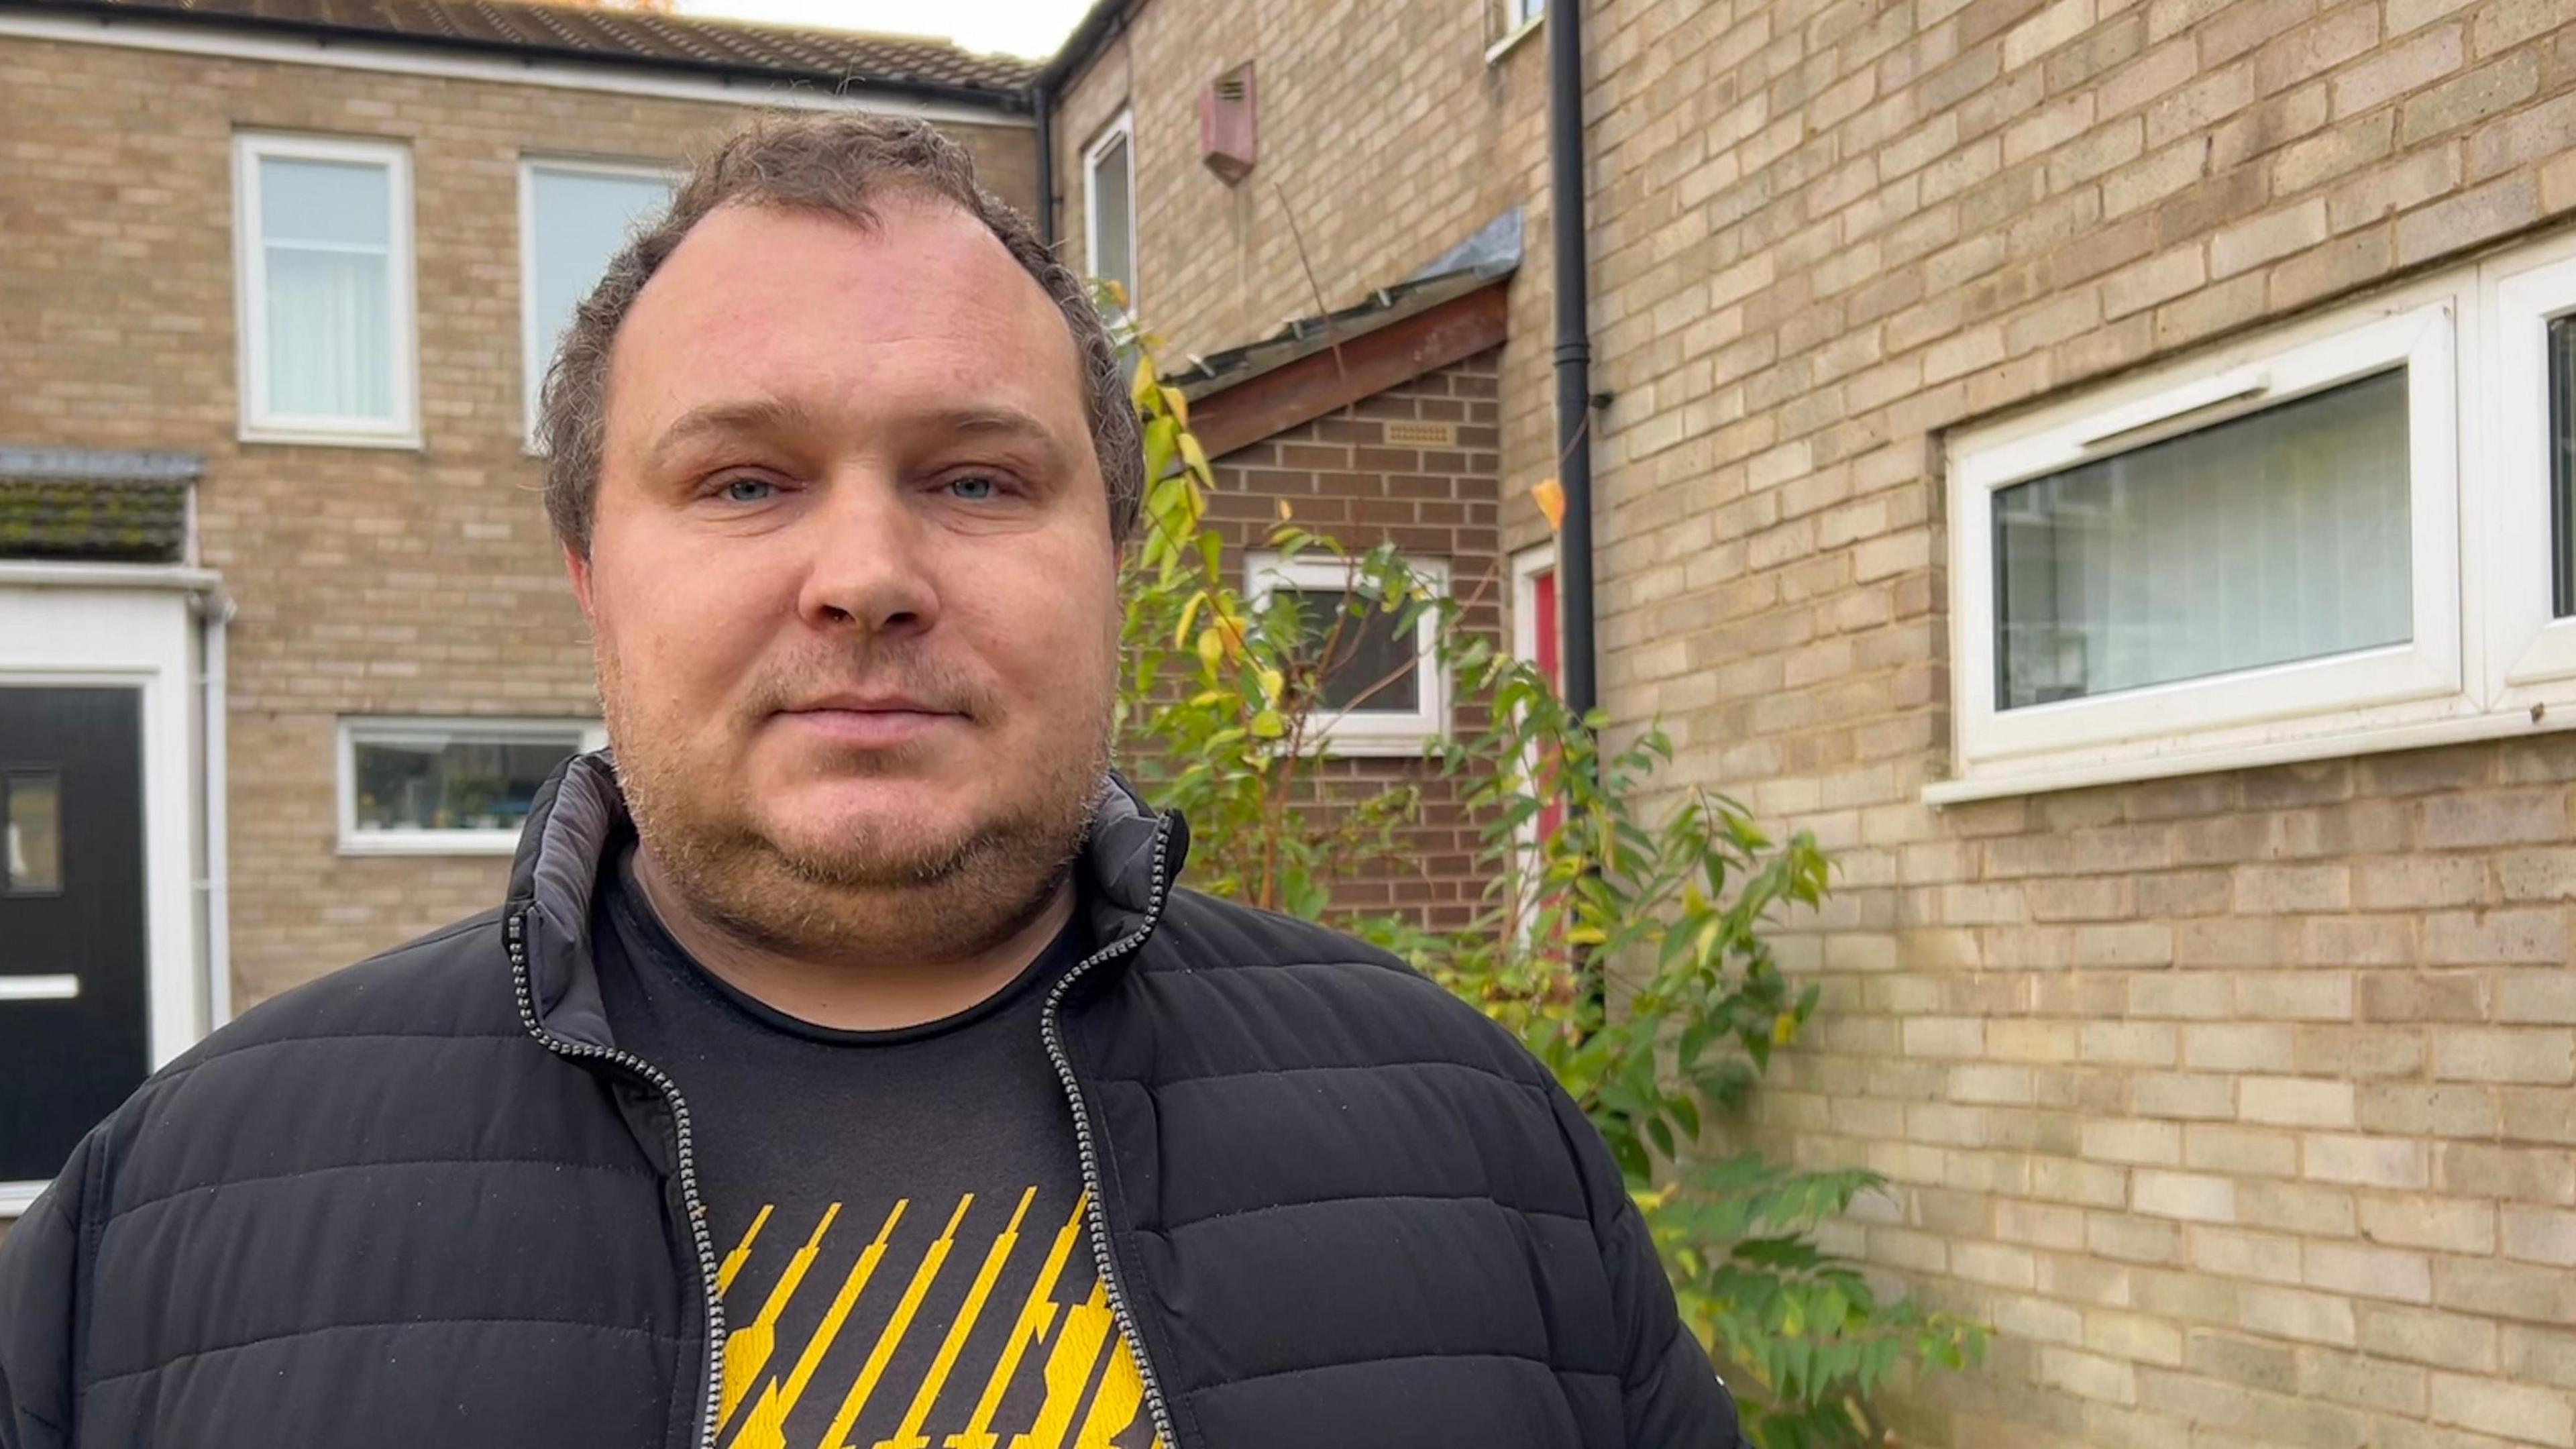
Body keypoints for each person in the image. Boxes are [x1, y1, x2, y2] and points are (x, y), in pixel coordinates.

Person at [0, 115, 1741, 1449]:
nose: (865, 572)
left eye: (977, 481)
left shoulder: (1483, 1147)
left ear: (1114, 563)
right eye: (747, 482)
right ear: (592, 580)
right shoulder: (160, 1227)